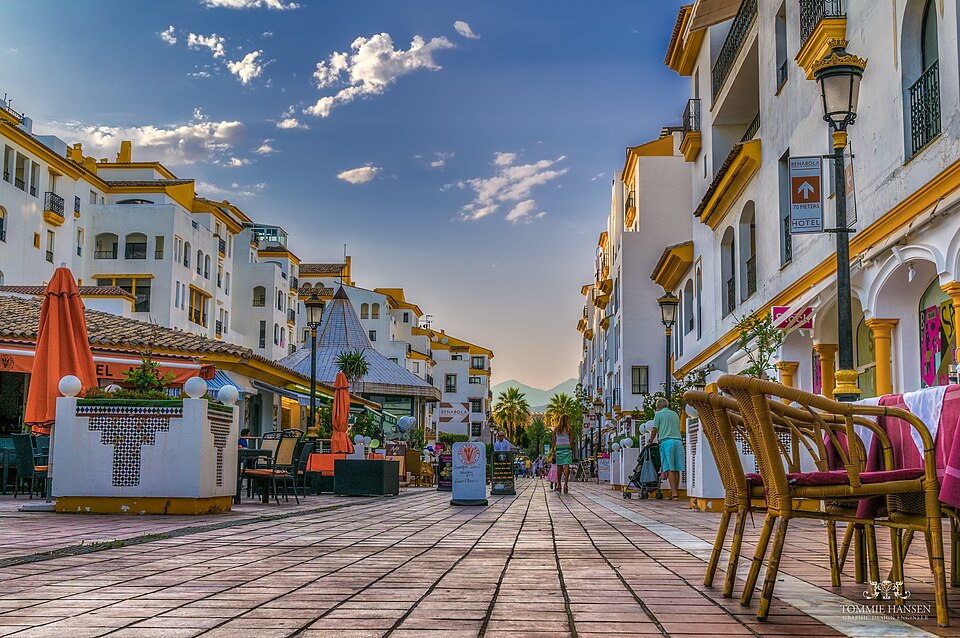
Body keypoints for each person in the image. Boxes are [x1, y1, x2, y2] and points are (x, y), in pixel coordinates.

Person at [650, 397, 684, 500]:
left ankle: (674, 493)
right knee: (677, 468)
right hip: (678, 441)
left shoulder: (658, 414)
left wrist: (651, 439)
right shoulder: (674, 414)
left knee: (669, 468)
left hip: (667, 442)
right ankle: (675, 491)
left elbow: (655, 429)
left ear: (659, 406)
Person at [552, 414, 574, 494]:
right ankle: (565, 485)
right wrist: (572, 449)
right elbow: (571, 441)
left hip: (559, 448)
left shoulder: (556, 429)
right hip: (567, 448)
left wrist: (553, 450)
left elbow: (554, 440)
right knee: (566, 466)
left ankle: (559, 485)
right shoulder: (569, 429)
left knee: (559, 467)